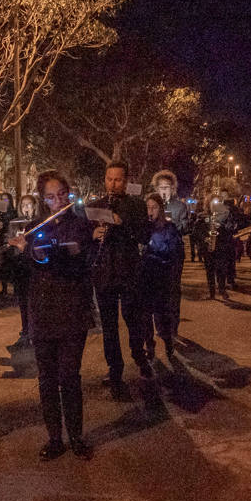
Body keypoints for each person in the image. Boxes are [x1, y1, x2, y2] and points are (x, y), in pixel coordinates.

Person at [8, 171, 96, 460]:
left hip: (72, 310)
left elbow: (77, 264)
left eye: (61, 195)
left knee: (69, 376)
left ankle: (76, 436)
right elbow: (23, 274)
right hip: (43, 311)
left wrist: (36, 252)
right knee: (46, 378)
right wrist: (19, 251)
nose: (57, 201)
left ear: (69, 195)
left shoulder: (81, 226)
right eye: (50, 196)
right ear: (42, 199)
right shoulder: (33, 228)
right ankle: (55, 438)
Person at [89, 161, 153, 389]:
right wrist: (94, 234)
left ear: (125, 182)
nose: (112, 184)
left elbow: (145, 237)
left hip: (128, 273)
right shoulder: (96, 205)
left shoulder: (136, 205)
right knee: (108, 326)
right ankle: (114, 368)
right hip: (104, 273)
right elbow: (88, 240)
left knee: (133, 320)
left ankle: (140, 356)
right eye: (109, 179)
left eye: (117, 180)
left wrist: (121, 224)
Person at [140, 192, 184, 363]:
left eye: (154, 207)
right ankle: (149, 346)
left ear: (160, 208)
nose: (150, 211)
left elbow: (175, 252)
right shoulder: (143, 228)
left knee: (161, 315)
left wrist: (153, 251)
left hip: (160, 278)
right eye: (148, 208)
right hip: (144, 278)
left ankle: (167, 343)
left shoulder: (169, 228)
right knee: (144, 315)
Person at [7, 194, 39, 349]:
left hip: (33, 263)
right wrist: (11, 241)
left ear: (35, 206)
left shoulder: (38, 223)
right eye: (24, 205)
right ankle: (25, 328)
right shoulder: (15, 223)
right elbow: (9, 240)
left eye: (29, 205)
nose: (27, 208)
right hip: (19, 263)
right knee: (22, 299)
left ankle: (34, 329)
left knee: (34, 299)